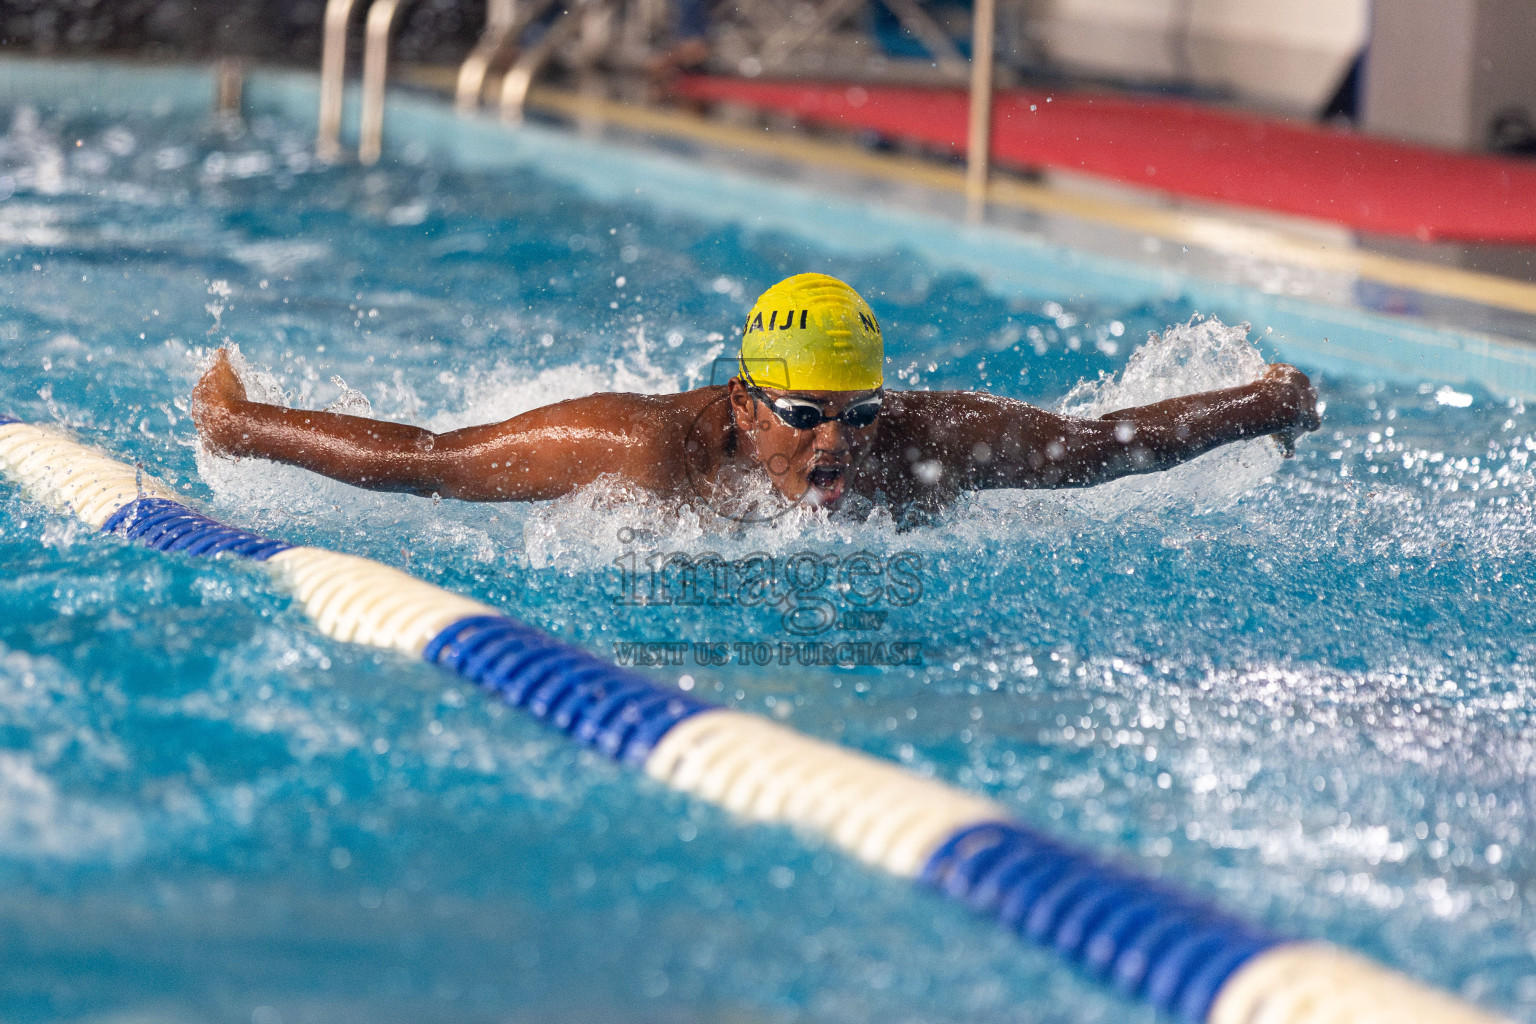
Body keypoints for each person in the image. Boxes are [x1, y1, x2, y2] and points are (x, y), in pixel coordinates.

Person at [192, 273, 1320, 518]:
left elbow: (1103, 444)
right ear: (742, 406)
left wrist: (1265, 401)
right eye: (804, 414)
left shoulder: (924, 443)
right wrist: (241, 429)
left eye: (857, 412)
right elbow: (430, 455)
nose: (837, 439)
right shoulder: (641, 451)